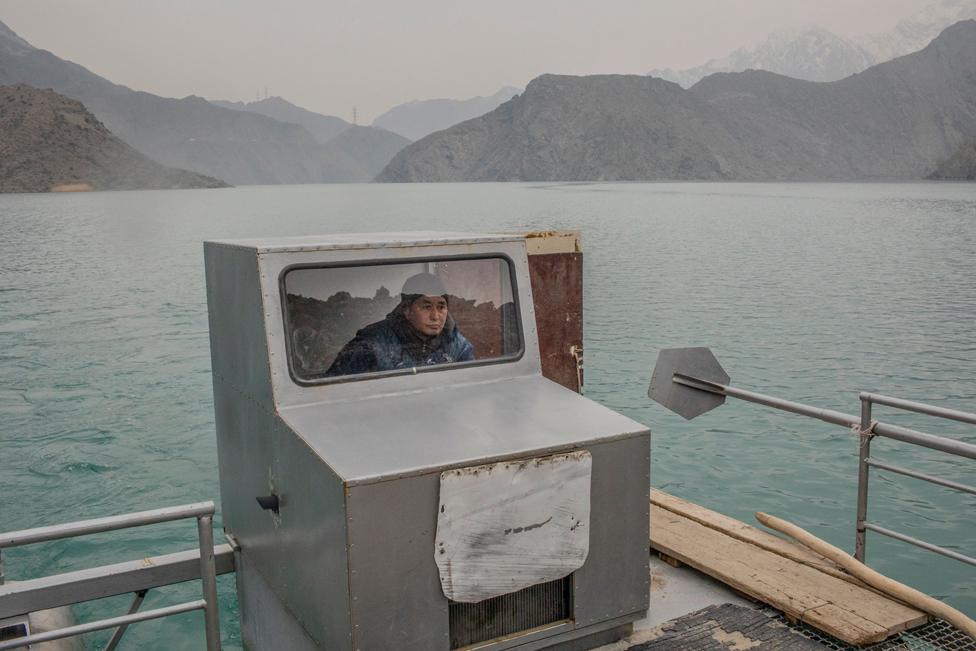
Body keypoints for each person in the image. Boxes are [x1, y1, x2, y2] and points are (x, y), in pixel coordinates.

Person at [325, 272, 475, 377]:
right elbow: (335, 389)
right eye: (426, 307)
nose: (435, 316)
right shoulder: (371, 344)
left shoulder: (459, 346)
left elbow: (471, 391)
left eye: (441, 307)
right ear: (407, 310)